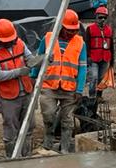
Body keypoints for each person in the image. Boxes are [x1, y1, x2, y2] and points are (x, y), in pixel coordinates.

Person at [34, 9, 87, 152]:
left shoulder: (80, 43)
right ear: (61, 27)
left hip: (70, 88)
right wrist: (34, 77)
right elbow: (38, 60)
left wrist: (80, 89)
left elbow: (82, 68)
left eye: (75, 30)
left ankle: (64, 148)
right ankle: (48, 140)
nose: (72, 33)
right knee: (49, 115)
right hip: (49, 86)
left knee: (67, 120)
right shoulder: (47, 39)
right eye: (69, 30)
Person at [0, 18, 39, 157]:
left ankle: (26, 156)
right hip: (9, 97)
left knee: (29, 126)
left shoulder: (19, 43)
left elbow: (30, 59)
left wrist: (42, 59)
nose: (10, 42)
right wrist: (18, 72)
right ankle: (12, 158)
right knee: (11, 128)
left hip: (26, 92)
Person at [85, 5, 114, 97]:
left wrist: (112, 60)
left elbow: (111, 46)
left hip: (105, 59)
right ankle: (92, 96)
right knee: (93, 77)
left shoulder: (109, 30)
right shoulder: (90, 29)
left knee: (102, 79)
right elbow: (86, 44)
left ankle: (99, 97)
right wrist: (87, 57)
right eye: (100, 17)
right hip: (93, 58)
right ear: (96, 17)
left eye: (104, 17)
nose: (102, 19)